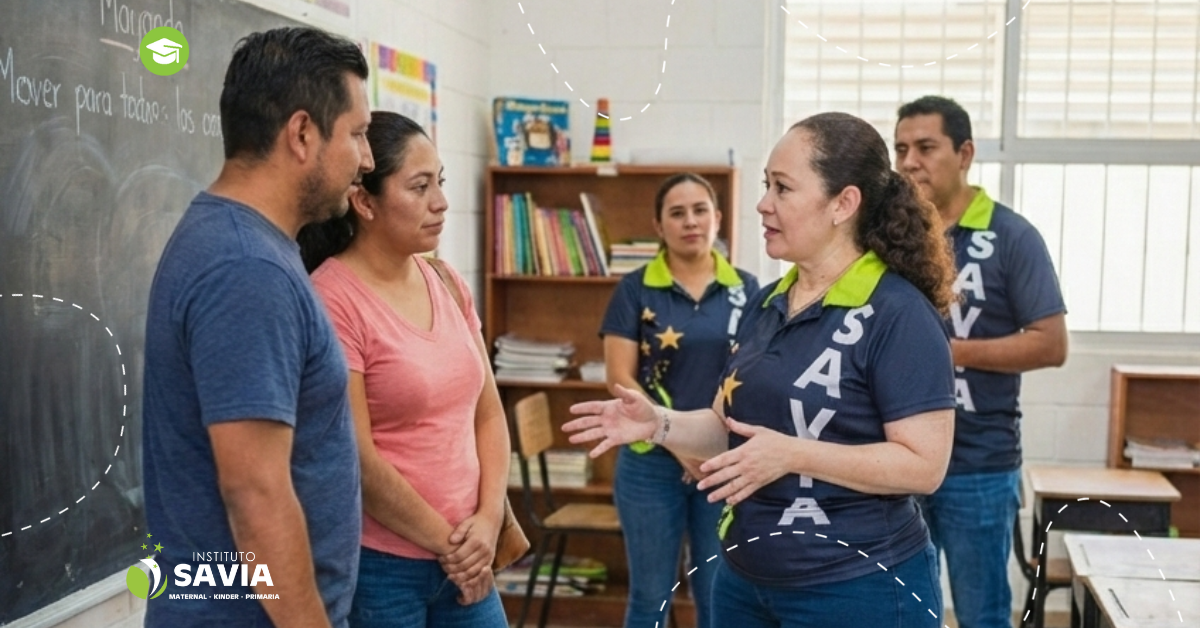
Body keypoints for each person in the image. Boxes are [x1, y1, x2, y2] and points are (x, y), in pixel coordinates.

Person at [566, 112, 960, 628]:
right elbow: (728, 430)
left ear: (843, 203)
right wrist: (659, 423)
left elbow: (924, 466)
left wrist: (792, 455)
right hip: (745, 582)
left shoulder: (898, 313)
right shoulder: (767, 301)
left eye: (783, 188)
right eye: (765, 185)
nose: (762, 204)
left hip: (855, 585)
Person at [142, 27, 374, 628]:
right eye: (357, 134)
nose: (366, 160)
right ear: (302, 134)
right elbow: (255, 491)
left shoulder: (244, 245)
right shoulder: (247, 268)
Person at [297, 111, 510, 628]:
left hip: (468, 554)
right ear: (364, 201)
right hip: (383, 568)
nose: (440, 202)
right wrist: (453, 546)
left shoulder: (445, 278)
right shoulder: (332, 299)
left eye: (439, 181)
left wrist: (487, 520)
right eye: (419, 187)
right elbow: (358, 461)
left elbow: (489, 415)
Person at [895, 96, 1068, 628]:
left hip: (979, 464)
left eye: (926, 147)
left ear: (965, 153)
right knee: (901, 609)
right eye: (900, 149)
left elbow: (1051, 343)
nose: (909, 162)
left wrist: (947, 353)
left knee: (982, 613)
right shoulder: (892, 239)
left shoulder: (1013, 236)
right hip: (898, 460)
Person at [599, 173, 758, 628]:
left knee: (718, 593)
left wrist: (704, 447)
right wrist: (677, 442)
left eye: (700, 210)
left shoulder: (749, 292)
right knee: (651, 597)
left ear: (719, 218)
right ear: (658, 225)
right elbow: (619, 378)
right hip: (649, 463)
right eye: (677, 212)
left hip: (724, 465)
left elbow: (755, 376)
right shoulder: (634, 289)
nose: (690, 221)